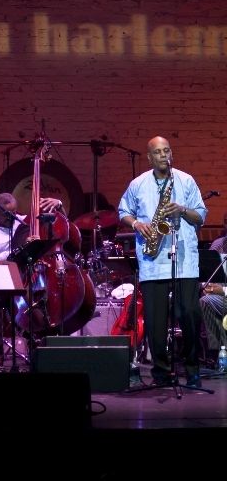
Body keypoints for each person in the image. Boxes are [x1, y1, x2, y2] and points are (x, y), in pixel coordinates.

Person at [118, 136, 207, 388]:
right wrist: (137, 224)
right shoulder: (138, 184)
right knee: (156, 324)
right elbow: (123, 211)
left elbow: (200, 216)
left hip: (184, 260)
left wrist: (181, 210)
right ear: (149, 157)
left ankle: (192, 370)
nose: (163, 155)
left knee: (190, 315)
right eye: (158, 152)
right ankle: (161, 372)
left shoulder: (186, 180)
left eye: (167, 150)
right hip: (152, 260)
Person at [0, 192, 64, 368]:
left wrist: (59, 205)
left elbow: (56, 220)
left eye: (15, 212)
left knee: (41, 294)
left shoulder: (21, 221)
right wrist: (20, 247)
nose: (14, 217)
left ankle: (41, 343)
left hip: (25, 273)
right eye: (9, 214)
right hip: (2, 277)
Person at [199, 213, 227, 358]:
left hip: (224, 293)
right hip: (221, 296)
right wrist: (206, 286)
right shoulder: (219, 245)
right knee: (205, 300)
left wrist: (222, 290)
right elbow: (206, 273)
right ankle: (216, 352)